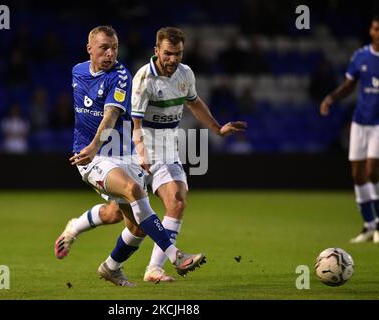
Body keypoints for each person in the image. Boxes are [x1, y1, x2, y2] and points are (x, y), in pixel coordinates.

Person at [55, 26, 246, 283]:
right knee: (132, 196)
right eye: (104, 48)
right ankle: (174, 255)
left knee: (135, 222)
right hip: (109, 152)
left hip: (133, 150)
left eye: (114, 48)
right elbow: (128, 122)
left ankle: (113, 263)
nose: (111, 54)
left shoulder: (126, 75)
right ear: (89, 49)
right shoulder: (107, 74)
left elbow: (114, 115)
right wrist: (96, 147)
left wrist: (216, 128)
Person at [320, 16, 379, 244]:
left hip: (378, 125)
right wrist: (331, 98)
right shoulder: (361, 56)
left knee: (373, 169)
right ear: (371, 31)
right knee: (357, 173)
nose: (378, 32)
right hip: (359, 122)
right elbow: (348, 86)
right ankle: (368, 225)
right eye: (376, 28)